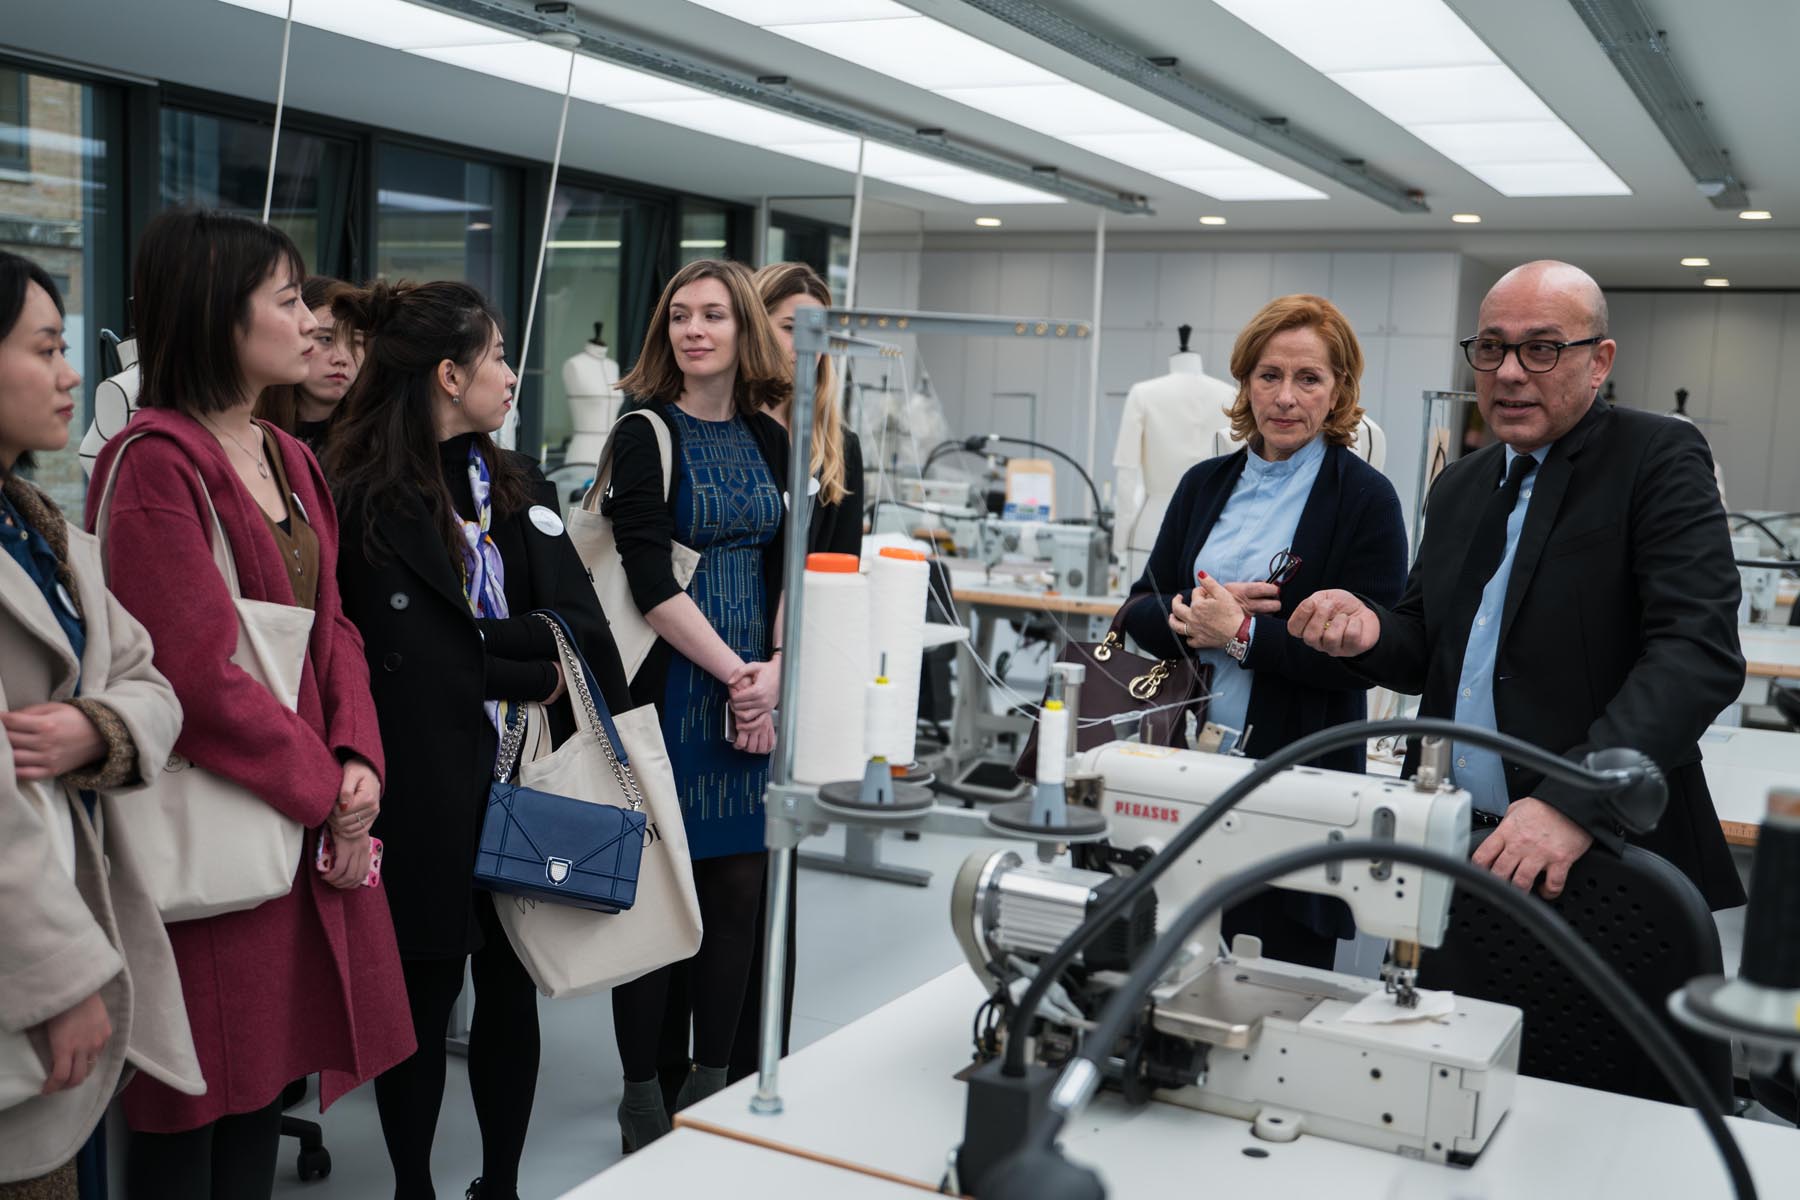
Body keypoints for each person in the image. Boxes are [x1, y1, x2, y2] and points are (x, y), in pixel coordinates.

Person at [84, 209, 414, 1200]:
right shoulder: (155, 463)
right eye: (286, 300)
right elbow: (192, 675)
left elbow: (334, 626)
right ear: (217, 314)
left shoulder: (287, 454)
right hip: (216, 837)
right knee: (191, 1119)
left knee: (259, 1098)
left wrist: (358, 757)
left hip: (287, 824)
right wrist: (325, 790)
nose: (311, 322)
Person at [1290, 260, 1746, 910]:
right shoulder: (1460, 485)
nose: (1508, 372)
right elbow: (1426, 648)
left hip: (1597, 849)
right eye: (1491, 348)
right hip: (1455, 841)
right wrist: (1369, 629)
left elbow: (1696, 653)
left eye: (1541, 349)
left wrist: (1575, 799)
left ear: (1599, 361)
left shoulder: (1655, 457)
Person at [326, 279, 634, 1200]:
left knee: (510, 986)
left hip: (522, 779)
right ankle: (412, 1187)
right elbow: (400, 657)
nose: (510, 373)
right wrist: (517, 663)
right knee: (419, 997)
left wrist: (476, 646)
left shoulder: (518, 485)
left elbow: (579, 630)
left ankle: (500, 1183)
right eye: (497, 355)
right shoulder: (359, 497)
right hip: (418, 785)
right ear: (449, 375)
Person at [1122, 293, 1407, 968]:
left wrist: (1243, 634)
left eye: (1308, 378)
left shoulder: (1365, 500)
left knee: (1276, 976)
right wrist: (1194, 618)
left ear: (1338, 389)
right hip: (1186, 767)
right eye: (1269, 375)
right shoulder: (1203, 485)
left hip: (1295, 777)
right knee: (1165, 962)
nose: (1285, 397)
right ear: (1245, 381)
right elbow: (1136, 609)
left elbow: (1373, 657)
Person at [0, 254, 202, 1200]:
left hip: (76, 914)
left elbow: (151, 679)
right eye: (45, 348)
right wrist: (60, 981)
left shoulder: (41, 530)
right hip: (31, 953)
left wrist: (97, 727)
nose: (72, 373)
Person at [603, 258, 789, 1151]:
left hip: (756, 688)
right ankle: (643, 1099)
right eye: (680, 315)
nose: (694, 330)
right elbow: (647, 583)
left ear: (743, 328)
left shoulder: (769, 437)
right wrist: (740, 677)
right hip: (671, 690)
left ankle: (712, 1089)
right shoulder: (644, 432)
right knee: (655, 902)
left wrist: (776, 670)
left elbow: (786, 567)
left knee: (738, 892)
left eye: (713, 314)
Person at [255, 275, 359, 453]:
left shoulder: (378, 440)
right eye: (326, 339)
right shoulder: (251, 433)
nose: (342, 358)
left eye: (356, 342)